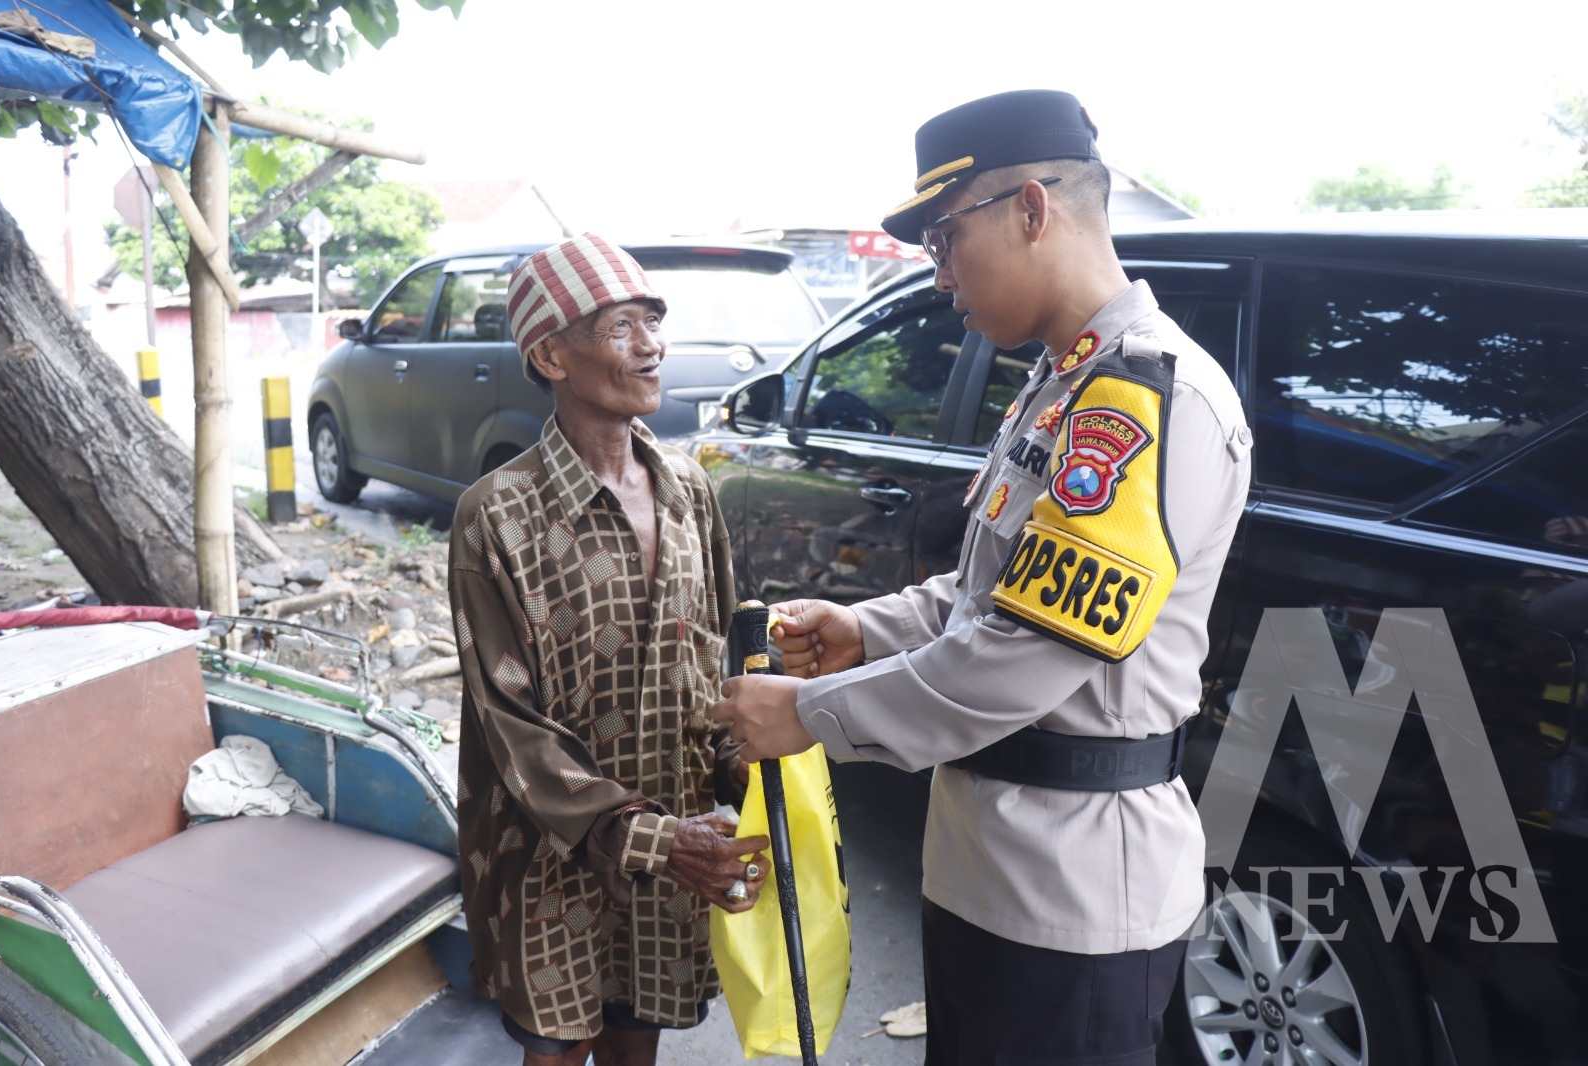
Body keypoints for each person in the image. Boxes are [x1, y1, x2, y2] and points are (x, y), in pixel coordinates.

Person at [716, 90, 1252, 1066]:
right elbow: (996, 595)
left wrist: (809, 714)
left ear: (1032, 210)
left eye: (945, 238)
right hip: (993, 868)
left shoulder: (1139, 399)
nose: (939, 274)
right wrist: (866, 627)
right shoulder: (1059, 385)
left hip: (1073, 897)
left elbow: (1026, 654)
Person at [449, 234, 769, 1066]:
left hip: (675, 845)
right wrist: (649, 837)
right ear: (551, 356)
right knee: (557, 1047)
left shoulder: (689, 489)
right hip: (550, 859)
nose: (651, 345)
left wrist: (746, 776)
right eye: (622, 326)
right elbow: (509, 721)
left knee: (637, 1038)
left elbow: (711, 664)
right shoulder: (497, 514)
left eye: (654, 322)